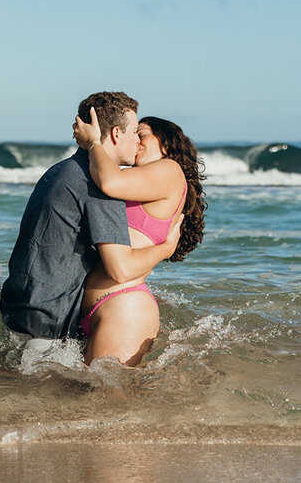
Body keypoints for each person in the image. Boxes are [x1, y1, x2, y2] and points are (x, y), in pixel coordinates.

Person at [0, 92, 181, 349]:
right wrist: (165, 249)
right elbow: (120, 269)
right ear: (117, 134)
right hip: (49, 325)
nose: (136, 142)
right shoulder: (99, 186)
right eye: (134, 134)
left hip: (19, 309)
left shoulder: (60, 170)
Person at [72, 107, 206, 366]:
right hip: (108, 306)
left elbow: (110, 182)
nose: (135, 140)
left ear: (166, 145)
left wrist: (93, 144)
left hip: (124, 306)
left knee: (105, 403)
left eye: (140, 134)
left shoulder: (169, 169)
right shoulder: (142, 183)